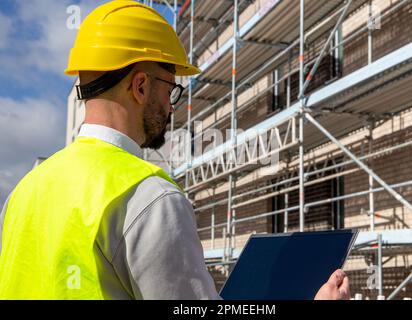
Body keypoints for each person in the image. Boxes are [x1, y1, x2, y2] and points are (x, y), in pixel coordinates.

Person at [0, 0, 350, 300]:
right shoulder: (149, 196)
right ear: (139, 86)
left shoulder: (23, 192)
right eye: (170, 91)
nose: (171, 108)